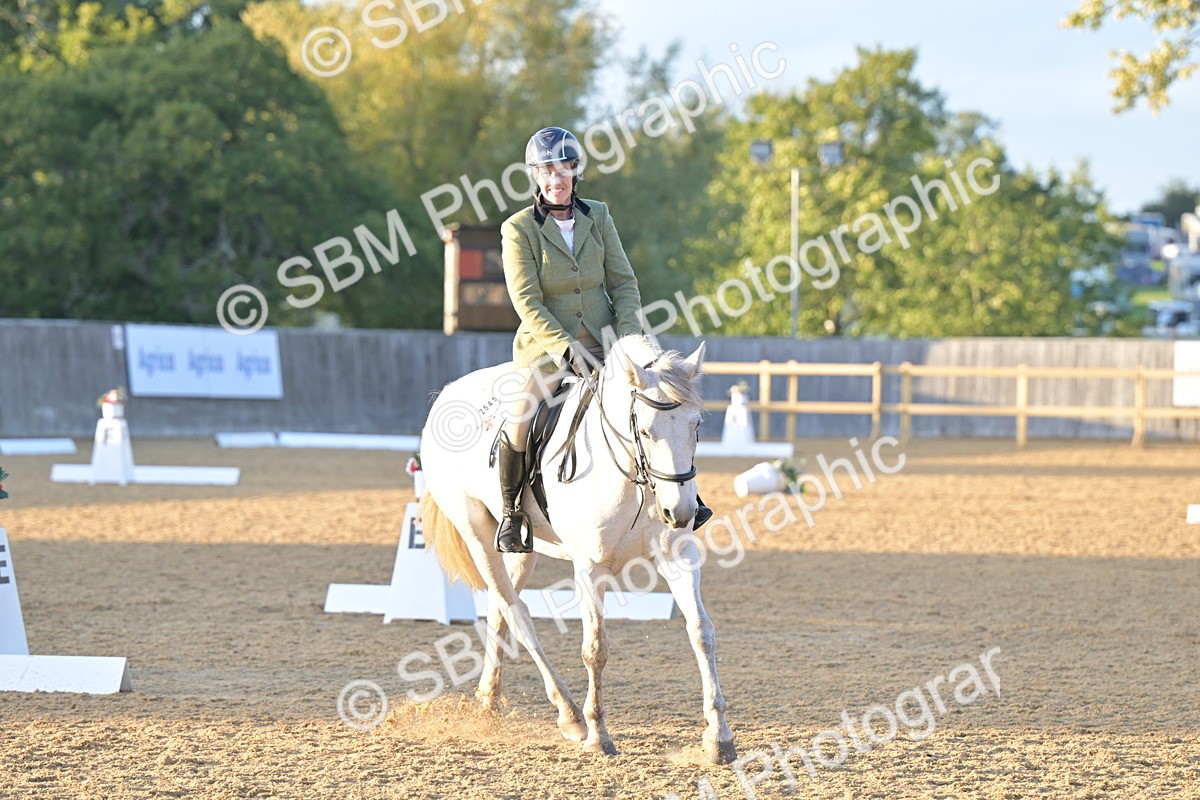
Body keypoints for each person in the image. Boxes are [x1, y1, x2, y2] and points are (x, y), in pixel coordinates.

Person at [493, 126, 711, 553]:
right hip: (547, 350)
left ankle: (687, 495)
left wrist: (628, 340)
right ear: (536, 176)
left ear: (576, 171)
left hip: (610, 341)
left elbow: (624, 283)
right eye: (546, 171)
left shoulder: (599, 216)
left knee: (663, 402)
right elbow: (527, 302)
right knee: (520, 419)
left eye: (564, 169)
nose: (556, 179)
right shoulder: (518, 228)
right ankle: (512, 513)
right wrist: (565, 348)